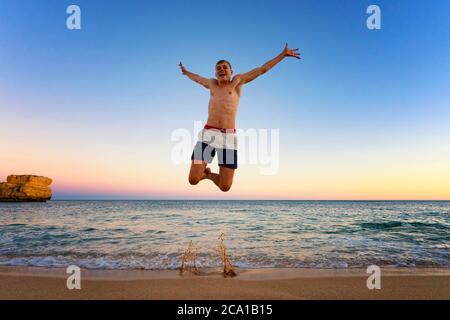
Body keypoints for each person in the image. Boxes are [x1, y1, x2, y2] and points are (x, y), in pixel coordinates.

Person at [179, 43, 301, 192]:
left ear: (231, 71)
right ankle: (203, 173)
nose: (221, 70)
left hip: (228, 138)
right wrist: (186, 72)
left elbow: (262, 69)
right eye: (218, 69)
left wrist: (283, 55)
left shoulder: (237, 82)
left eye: (225, 67)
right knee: (193, 180)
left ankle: (209, 176)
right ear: (215, 74)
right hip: (208, 135)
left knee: (225, 187)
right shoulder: (212, 84)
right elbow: (197, 78)